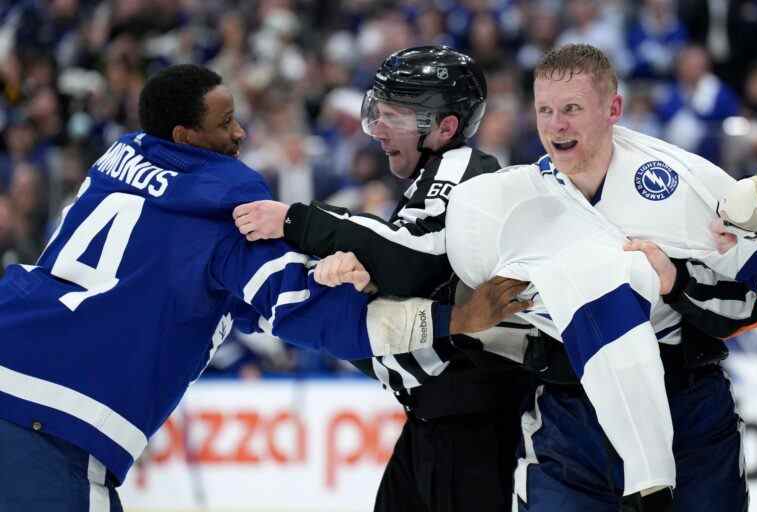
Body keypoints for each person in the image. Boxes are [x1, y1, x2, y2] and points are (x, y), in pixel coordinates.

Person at [0, 64, 528, 511]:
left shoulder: (119, 160)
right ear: (187, 138)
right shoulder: (223, 203)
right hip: (52, 422)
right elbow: (313, 312)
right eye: (226, 122)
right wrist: (452, 320)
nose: (240, 135)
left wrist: (343, 259)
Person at [444, 44, 756, 511]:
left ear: (613, 109)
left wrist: (680, 285)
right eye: (545, 110)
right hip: (570, 420)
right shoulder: (518, 201)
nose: (555, 125)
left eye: (571, 109)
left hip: (689, 408)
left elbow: (753, 303)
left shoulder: (684, 185)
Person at [233, 46, 535, 512]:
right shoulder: (425, 181)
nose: (377, 130)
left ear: (445, 127)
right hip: (434, 421)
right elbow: (411, 287)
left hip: (471, 426)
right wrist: (360, 283)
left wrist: (297, 222)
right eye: (377, 112)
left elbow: (417, 258)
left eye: (393, 116)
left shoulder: (466, 170)